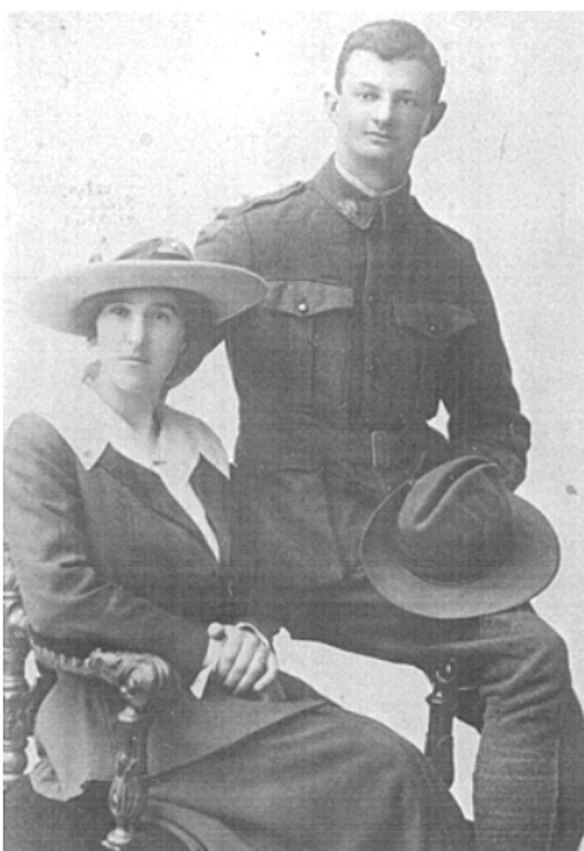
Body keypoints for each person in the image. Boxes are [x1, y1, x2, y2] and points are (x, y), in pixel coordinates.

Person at [193, 19, 584, 851]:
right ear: (332, 103)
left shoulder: (449, 258)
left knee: (537, 674)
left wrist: (461, 504)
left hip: (402, 555)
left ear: (432, 118)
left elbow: (495, 420)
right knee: (536, 673)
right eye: (367, 94)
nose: (383, 115)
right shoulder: (254, 236)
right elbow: (149, 354)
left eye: (405, 100)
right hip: (280, 549)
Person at [3, 237, 473, 851]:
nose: (136, 336)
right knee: (387, 772)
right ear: (93, 327)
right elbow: (62, 598)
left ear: (186, 342)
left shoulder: (197, 444)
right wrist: (204, 648)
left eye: (161, 315)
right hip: (116, 718)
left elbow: (251, 571)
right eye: (119, 312)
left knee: (394, 764)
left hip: (216, 707)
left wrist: (251, 629)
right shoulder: (47, 437)